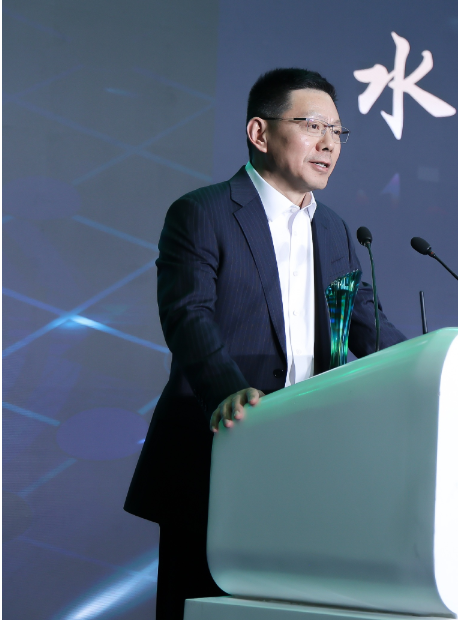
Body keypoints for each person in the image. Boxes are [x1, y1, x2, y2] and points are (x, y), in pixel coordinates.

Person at [124, 68, 405, 620]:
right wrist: (226, 391)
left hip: (308, 463)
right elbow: (188, 313)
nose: (329, 143)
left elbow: (367, 324)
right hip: (218, 451)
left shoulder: (335, 231)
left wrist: (433, 369)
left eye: (338, 132)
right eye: (312, 125)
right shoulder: (203, 212)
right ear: (260, 132)